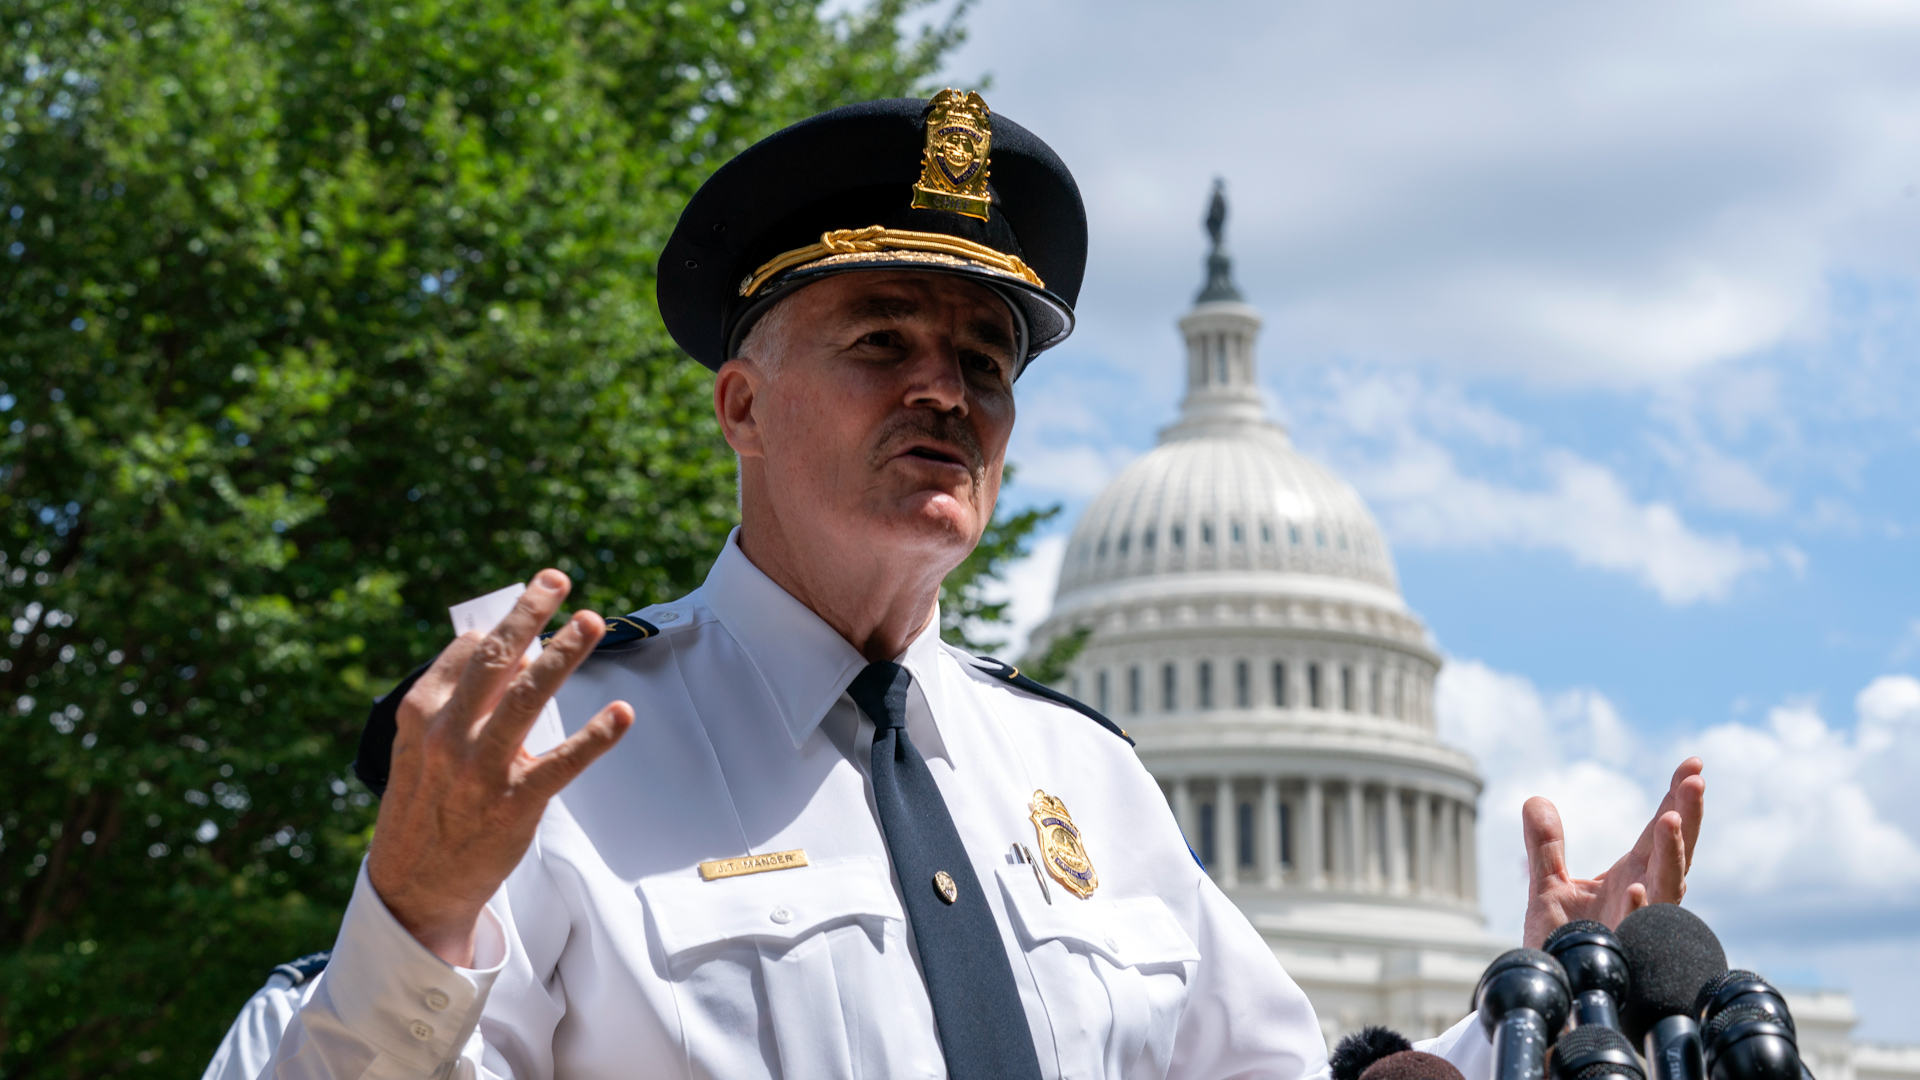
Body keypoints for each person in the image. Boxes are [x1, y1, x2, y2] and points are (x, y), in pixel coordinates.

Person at [215, 92, 1706, 1079]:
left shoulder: (1090, 783)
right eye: (881, 340)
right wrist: (414, 913)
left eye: (985, 362)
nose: (947, 391)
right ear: (742, 406)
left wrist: (1538, 1002)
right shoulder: (545, 768)